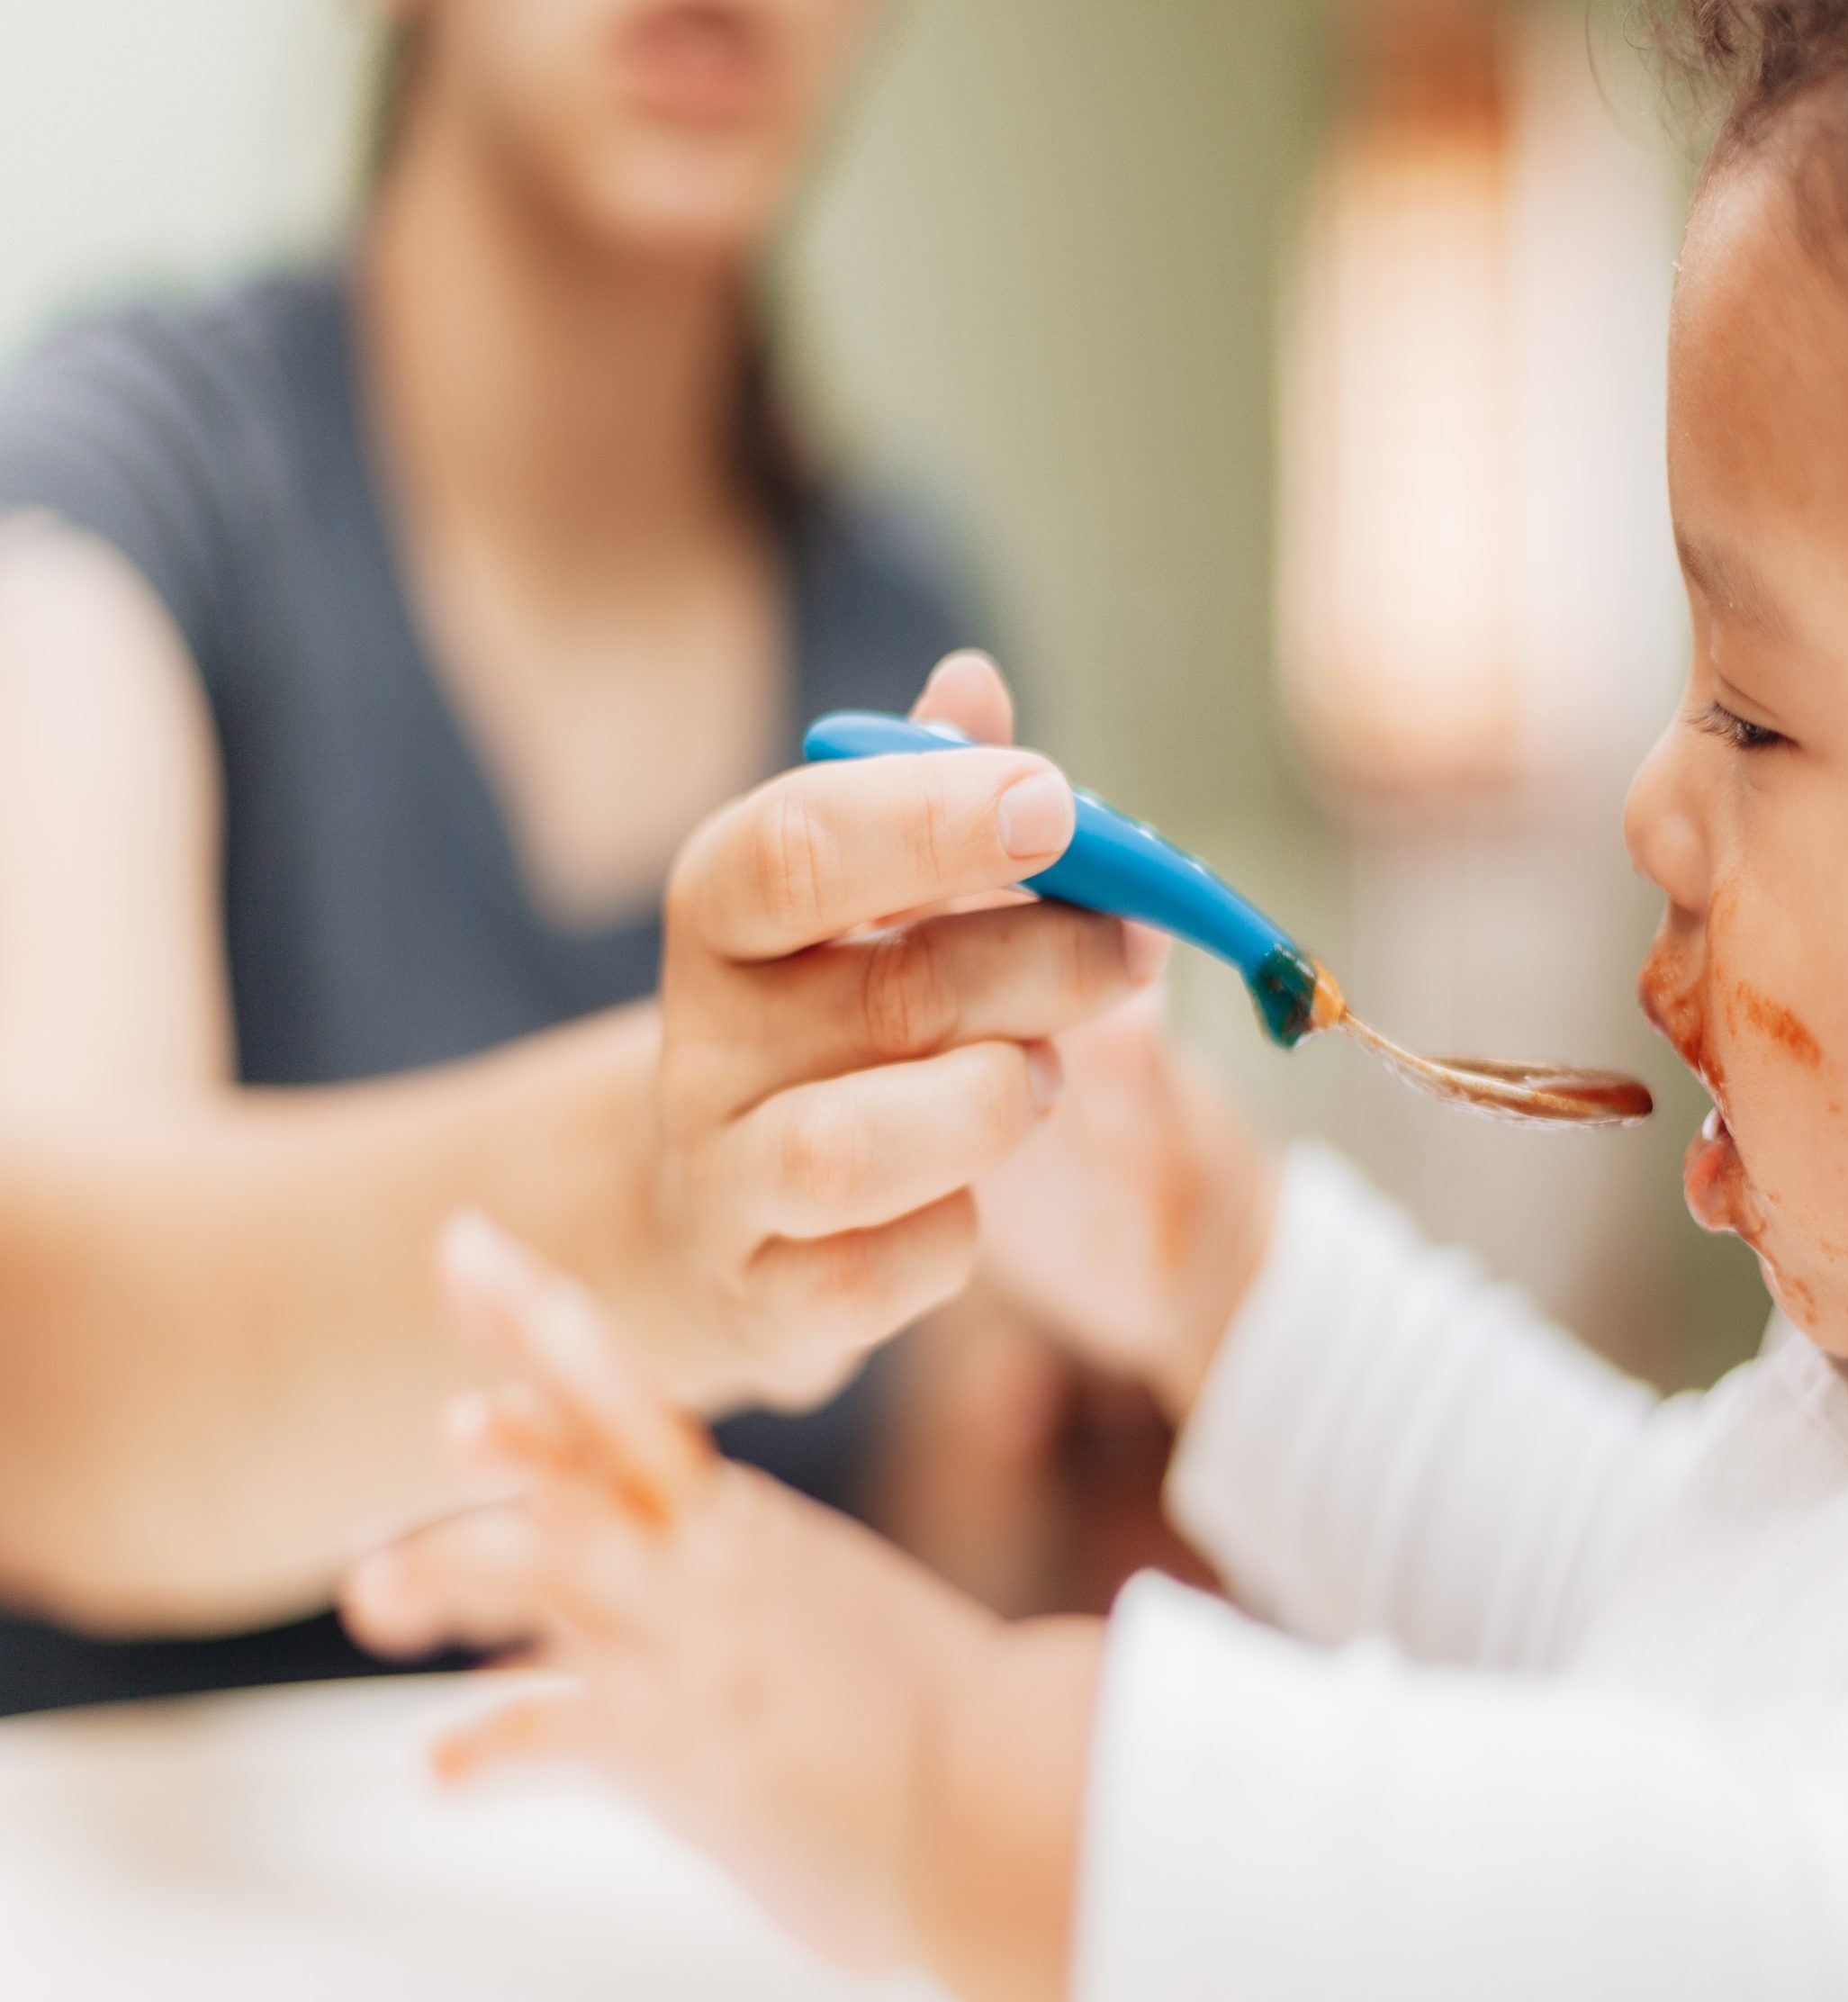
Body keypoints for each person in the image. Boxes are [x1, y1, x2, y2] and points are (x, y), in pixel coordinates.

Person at [346, 0, 1848, 2002]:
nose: (1650, 806)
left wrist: (953, 1777)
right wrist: (1190, 1237)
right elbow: (1601, 1565)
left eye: (1758, 713)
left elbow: (1794, 1985)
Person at [0, 2, 1139, 1709]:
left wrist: (1075, 1478)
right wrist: (662, 1211)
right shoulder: (124, 487)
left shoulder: (911, 635)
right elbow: (40, 1356)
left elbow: (931, 1578)